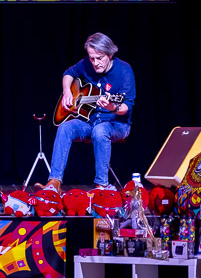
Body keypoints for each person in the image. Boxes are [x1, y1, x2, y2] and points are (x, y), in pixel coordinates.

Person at [44, 33, 135, 191]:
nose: (95, 63)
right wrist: (67, 92)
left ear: (110, 54)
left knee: (100, 131)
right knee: (65, 127)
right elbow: (68, 73)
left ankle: (101, 186)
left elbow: (126, 106)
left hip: (117, 124)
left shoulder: (124, 70)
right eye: (92, 58)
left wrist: (112, 107)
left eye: (99, 58)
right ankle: (54, 183)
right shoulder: (86, 64)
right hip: (91, 121)